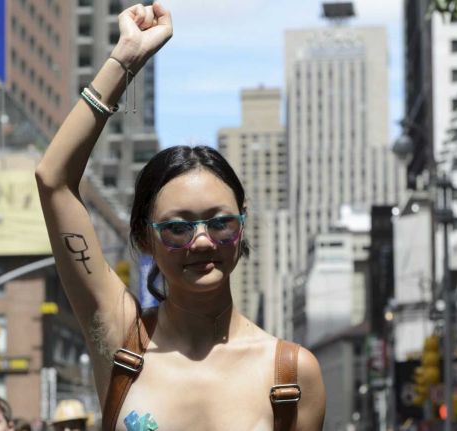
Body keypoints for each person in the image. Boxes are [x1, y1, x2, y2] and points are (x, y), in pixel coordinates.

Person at [35, 2, 325, 430]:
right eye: (177, 228)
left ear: (242, 224)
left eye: (220, 221)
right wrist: (125, 61)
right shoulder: (121, 340)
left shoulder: (291, 374)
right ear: (144, 237)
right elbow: (53, 180)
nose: (202, 241)